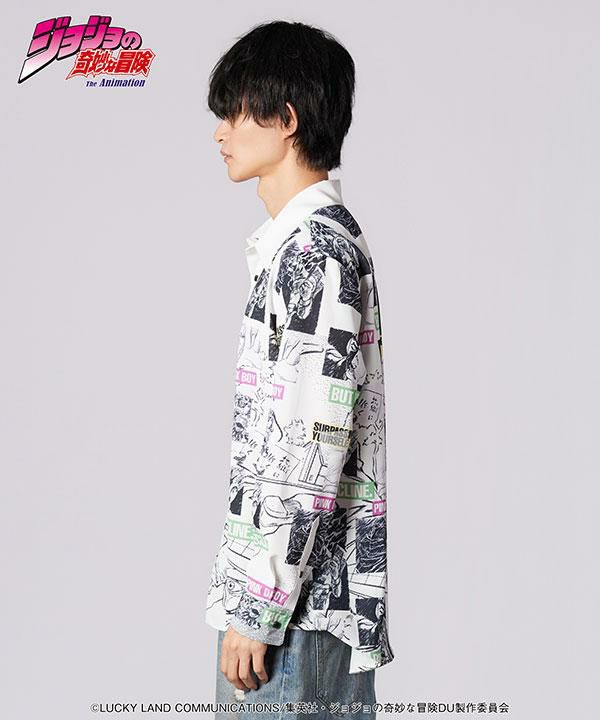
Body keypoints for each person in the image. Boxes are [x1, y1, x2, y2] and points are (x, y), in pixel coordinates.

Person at [204, 20, 394, 719]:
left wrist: (257, 608)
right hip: (293, 607)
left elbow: (310, 441)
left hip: (293, 618)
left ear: (285, 120)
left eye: (235, 112)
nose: (220, 133)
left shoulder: (314, 254)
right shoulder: (303, 248)